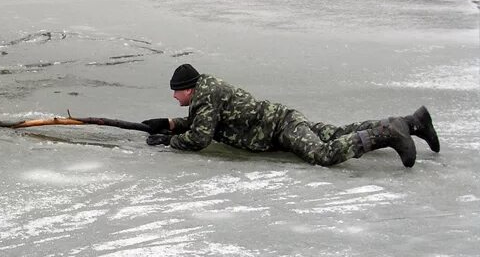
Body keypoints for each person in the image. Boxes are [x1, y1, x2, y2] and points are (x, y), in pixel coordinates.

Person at [142, 64, 439, 168]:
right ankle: (414, 122)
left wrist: (172, 141)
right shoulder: (206, 92)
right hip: (281, 120)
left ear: (188, 90)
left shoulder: (206, 96)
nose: (173, 97)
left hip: (279, 128)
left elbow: (200, 137)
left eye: (175, 92)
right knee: (334, 134)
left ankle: (388, 133)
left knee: (323, 154)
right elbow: (208, 122)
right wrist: (170, 123)